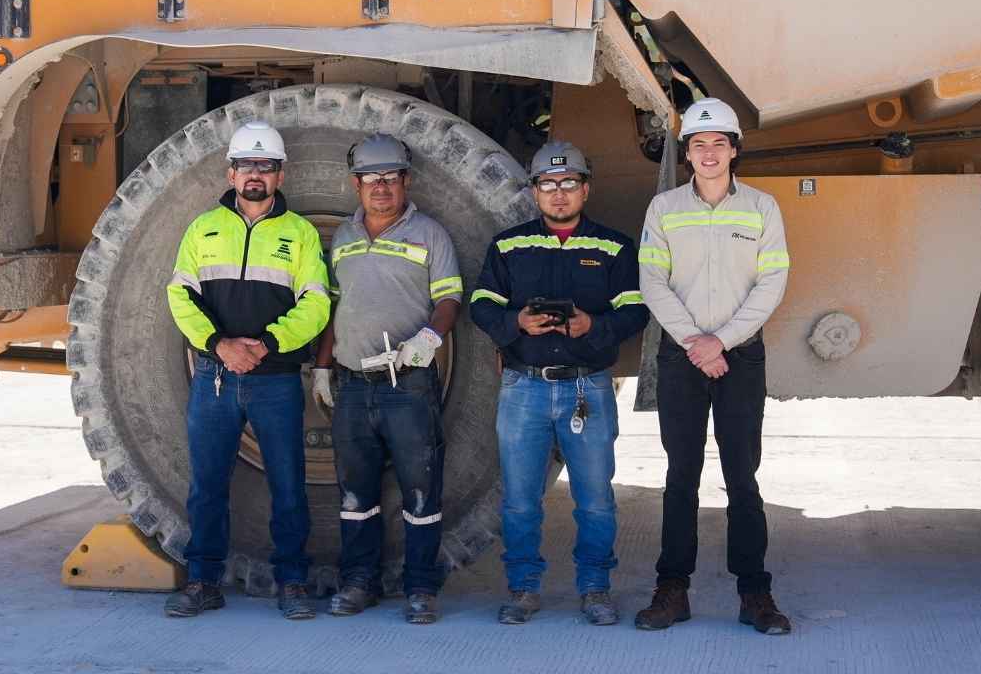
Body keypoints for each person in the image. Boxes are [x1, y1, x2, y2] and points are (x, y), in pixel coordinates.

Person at [470, 139, 649, 626]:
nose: (558, 194)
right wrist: (517, 325)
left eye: (569, 183)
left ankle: (595, 588)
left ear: (585, 189)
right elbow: (481, 304)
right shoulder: (509, 246)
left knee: (594, 499)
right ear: (534, 192)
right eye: (548, 185)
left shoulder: (613, 246)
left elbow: (635, 310)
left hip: (586, 387)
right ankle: (523, 588)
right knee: (520, 500)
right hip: (523, 387)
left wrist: (594, 328)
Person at [634, 97, 792, 634]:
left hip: (740, 359)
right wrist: (695, 343)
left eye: (718, 144)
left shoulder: (762, 209)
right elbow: (652, 280)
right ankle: (672, 589)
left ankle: (755, 594)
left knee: (741, 476)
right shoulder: (665, 210)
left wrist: (721, 341)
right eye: (698, 144)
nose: (708, 153)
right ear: (687, 153)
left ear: (733, 151)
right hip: (682, 359)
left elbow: (772, 283)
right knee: (681, 476)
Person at [164, 120, 331, 620]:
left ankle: (293, 583)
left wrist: (267, 344)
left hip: (275, 380)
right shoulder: (202, 229)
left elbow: (317, 304)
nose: (255, 175)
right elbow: (180, 295)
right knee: (208, 485)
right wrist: (219, 344)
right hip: (215, 379)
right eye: (246, 166)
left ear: (281, 175)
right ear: (230, 172)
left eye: (266, 166)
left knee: (287, 483)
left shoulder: (299, 233)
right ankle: (202, 580)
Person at [310, 133, 462, 625]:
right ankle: (360, 583)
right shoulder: (344, 239)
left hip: (408, 385)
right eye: (372, 180)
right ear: (357, 185)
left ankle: (421, 588)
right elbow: (337, 308)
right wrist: (323, 366)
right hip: (354, 385)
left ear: (405, 182)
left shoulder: (430, 234)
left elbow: (449, 301)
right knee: (356, 495)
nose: (381, 188)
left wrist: (428, 341)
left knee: (421, 493)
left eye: (390, 179)